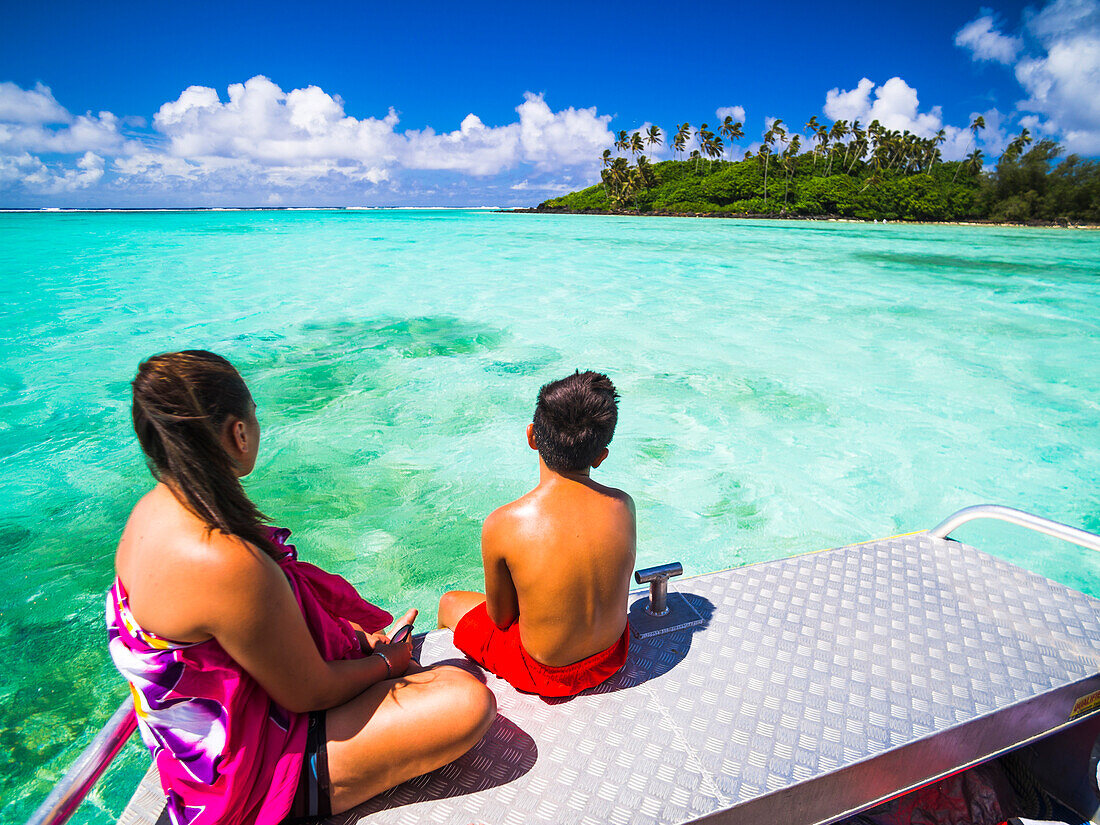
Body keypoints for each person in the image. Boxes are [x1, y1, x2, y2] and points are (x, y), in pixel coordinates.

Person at [107, 350, 495, 825]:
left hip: (212, 742)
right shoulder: (223, 558)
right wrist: (383, 663)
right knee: (465, 699)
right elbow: (308, 694)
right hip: (248, 772)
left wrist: (354, 642)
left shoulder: (150, 515)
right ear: (239, 433)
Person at [437, 371, 636, 698]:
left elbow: (501, 619)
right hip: (612, 655)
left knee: (449, 603)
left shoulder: (504, 522)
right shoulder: (623, 505)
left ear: (531, 436)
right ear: (601, 456)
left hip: (542, 673)